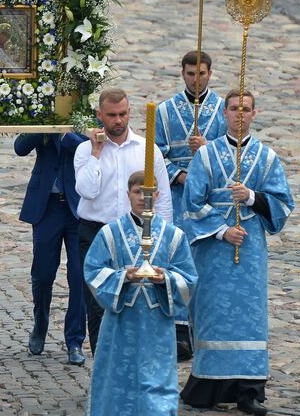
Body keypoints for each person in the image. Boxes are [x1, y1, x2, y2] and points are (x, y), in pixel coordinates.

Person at [180, 89, 294, 415]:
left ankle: (250, 390)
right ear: (224, 114)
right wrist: (221, 230)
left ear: (255, 113)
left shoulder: (267, 158)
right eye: (233, 108)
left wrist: (251, 197)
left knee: (249, 316)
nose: (239, 114)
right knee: (213, 313)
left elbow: (283, 203)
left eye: (245, 109)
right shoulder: (206, 156)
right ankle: (210, 385)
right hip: (215, 250)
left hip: (250, 248)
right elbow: (192, 203)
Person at [84, 170, 197, 416]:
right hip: (121, 322)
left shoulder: (173, 236)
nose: (142, 198)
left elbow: (188, 278)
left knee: (156, 384)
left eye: (148, 193)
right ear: (128, 194)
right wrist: (124, 276)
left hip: (157, 325)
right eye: (137, 192)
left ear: (157, 194)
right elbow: (92, 270)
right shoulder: (110, 233)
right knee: (119, 378)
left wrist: (164, 278)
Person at [74, 87, 172, 357]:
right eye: (112, 115)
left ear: (129, 113)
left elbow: (161, 200)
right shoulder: (84, 150)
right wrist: (96, 151)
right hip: (95, 233)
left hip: (135, 231)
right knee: (96, 302)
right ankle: (102, 370)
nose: (118, 120)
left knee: (135, 301)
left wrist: (162, 238)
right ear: (99, 115)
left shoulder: (147, 150)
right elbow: (86, 190)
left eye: (123, 114)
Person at [155, 50, 226, 359]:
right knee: (178, 257)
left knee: (207, 260)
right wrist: (180, 174)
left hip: (210, 196)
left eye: (201, 74)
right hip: (178, 195)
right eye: (190, 74)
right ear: (182, 74)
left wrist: (207, 149)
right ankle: (179, 331)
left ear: (210, 74)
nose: (196, 80)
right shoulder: (165, 111)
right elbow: (156, 154)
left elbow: (230, 153)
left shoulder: (224, 109)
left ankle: (206, 326)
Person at [14, 132, 88, 366]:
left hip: (78, 207)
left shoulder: (85, 116)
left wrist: (66, 133)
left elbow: (90, 146)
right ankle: (40, 325)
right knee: (43, 274)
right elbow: (20, 147)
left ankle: (75, 340)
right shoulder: (43, 116)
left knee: (79, 275)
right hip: (47, 207)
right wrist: (44, 126)